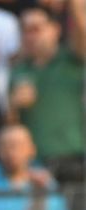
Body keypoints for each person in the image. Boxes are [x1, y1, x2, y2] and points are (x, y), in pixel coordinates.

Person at [8, 0, 86, 184]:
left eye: (36, 29)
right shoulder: (18, 71)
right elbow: (10, 126)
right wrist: (13, 106)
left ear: (55, 30)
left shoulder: (71, 60)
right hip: (35, 165)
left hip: (74, 159)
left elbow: (82, 35)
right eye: (25, 30)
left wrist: (73, 5)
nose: (30, 36)